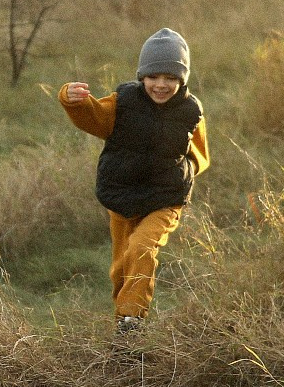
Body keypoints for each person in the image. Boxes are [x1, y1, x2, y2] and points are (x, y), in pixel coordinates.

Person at [58, 27, 212, 335]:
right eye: (154, 77)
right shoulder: (124, 102)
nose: (161, 85)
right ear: (142, 76)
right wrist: (73, 100)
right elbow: (95, 117)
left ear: (182, 79)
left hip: (165, 198)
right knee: (121, 268)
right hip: (123, 195)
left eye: (171, 77)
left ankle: (132, 319)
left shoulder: (189, 110)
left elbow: (201, 153)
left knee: (142, 246)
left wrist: (186, 173)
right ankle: (124, 328)